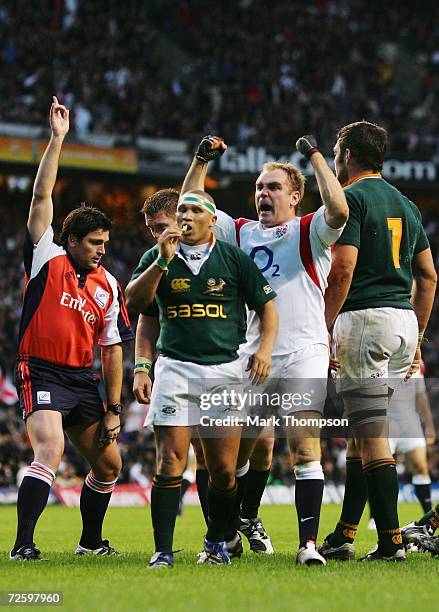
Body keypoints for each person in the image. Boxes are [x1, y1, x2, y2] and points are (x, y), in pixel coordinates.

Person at [181, 134, 348, 565]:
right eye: (259, 187)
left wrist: (313, 155)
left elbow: (340, 208)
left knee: (304, 447)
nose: (263, 194)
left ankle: (308, 546)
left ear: (294, 197)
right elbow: (191, 207)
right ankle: (233, 532)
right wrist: (201, 161)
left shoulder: (309, 230)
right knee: (235, 454)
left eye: (273, 187)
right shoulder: (239, 232)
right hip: (252, 355)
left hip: (304, 351)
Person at [10, 97, 134, 560]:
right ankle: (24, 546)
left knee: (109, 465)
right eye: (95, 243)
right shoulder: (48, 257)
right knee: (50, 449)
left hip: (82, 380)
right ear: (72, 241)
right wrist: (57, 138)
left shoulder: (109, 286)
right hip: (40, 370)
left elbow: (113, 349)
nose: (102, 250)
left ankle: (90, 543)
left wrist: (114, 408)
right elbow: (42, 197)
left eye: (106, 243)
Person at [128, 188, 278, 568]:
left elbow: (267, 307)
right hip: (175, 369)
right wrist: (161, 262)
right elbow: (134, 304)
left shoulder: (233, 259)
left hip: (224, 372)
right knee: (169, 463)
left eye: (195, 209)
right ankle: (162, 551)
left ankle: (215, 543)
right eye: (182, 210)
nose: (186, 215)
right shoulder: (157, 256)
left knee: (224, 471)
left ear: (213, 220)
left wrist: (263, 350)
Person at [319, 121, 437, 562]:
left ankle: (390, 542)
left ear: (347, 155)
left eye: (335, 151)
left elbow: (343, 270)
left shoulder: (351, 198)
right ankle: (346, 534)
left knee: (371, 438)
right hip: (404, 323)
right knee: (361, 432)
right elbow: (428, 277)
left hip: (365, 321)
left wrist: (322, 325)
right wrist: (419, 335)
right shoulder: (407, 204)